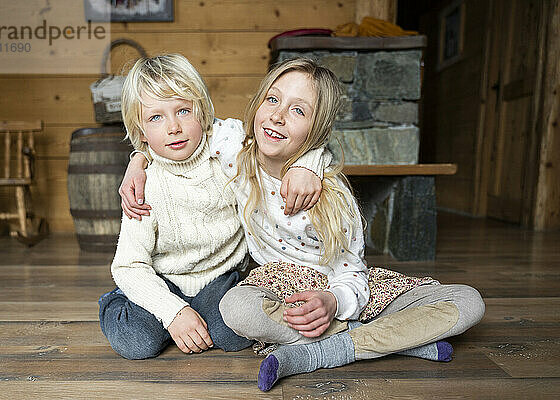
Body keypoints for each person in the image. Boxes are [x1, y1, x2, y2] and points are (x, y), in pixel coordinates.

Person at [120, 58, 485, 391]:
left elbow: (351, 273)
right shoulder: (235, 150)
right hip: (278, 288)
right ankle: (390, 340)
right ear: (259, 104)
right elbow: (181, 127)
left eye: (298, 110)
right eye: (273, 100)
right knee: (236, 310)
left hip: (337, 290)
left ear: (317, 129)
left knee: (469, 303)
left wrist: (332, 301)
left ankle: (326, 350)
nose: (278, 116)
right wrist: (137, 160)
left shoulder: (332, 197)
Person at [98, 54, 322, 360]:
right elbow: (128, 264)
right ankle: (125, 301)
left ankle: (187, 319)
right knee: (136, 342)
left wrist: (306, 166)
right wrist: (173, 312)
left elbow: (288, 142)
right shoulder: (144, 185)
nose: (173, 127)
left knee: (230, 333)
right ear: (140, 133)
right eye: (156, 118)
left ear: (202, 114)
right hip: (165, 277)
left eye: (183, 111)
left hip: (219, 276)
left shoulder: (230, 153)